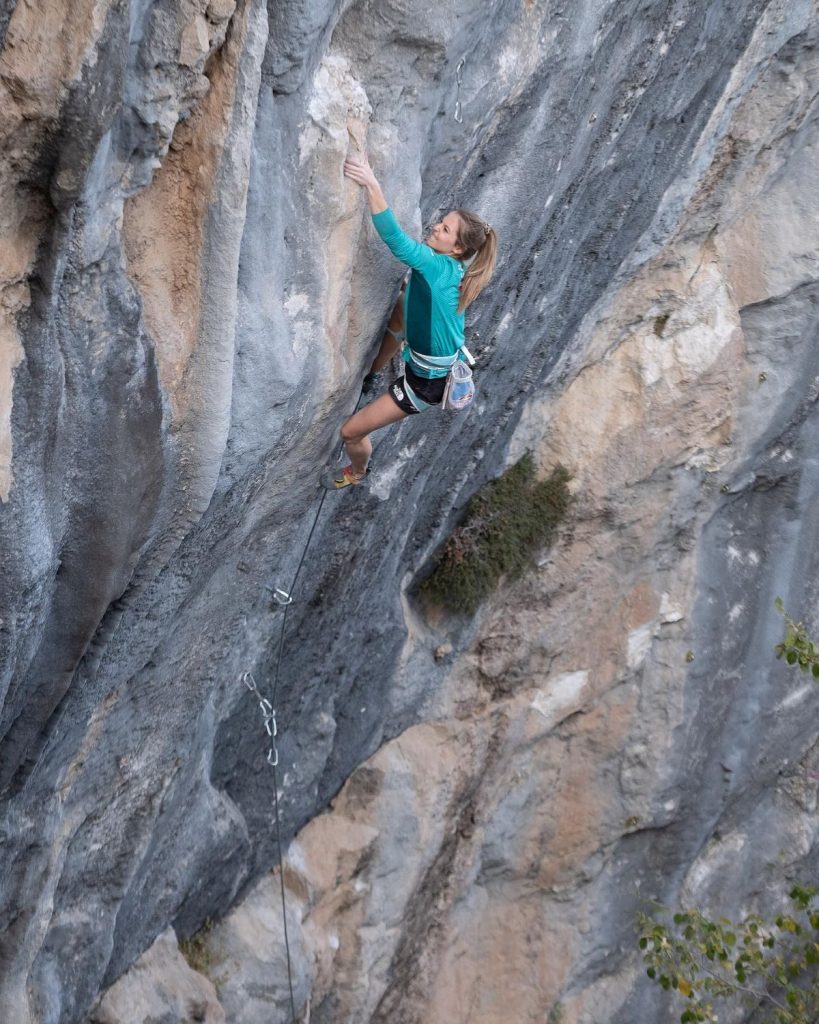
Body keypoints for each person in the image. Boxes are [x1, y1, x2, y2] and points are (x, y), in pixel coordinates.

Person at [324, 153, 497, 489]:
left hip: (423, 385)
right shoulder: (452, 266)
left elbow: (396, 240)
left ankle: (357, 472)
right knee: (404, 300)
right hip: (431, 359)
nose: (436, 227)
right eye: (441, 222)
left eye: (445, 229)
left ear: (457, 249)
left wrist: (370, 182)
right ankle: (374, 370)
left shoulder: (436, 267)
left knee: (351, 432)